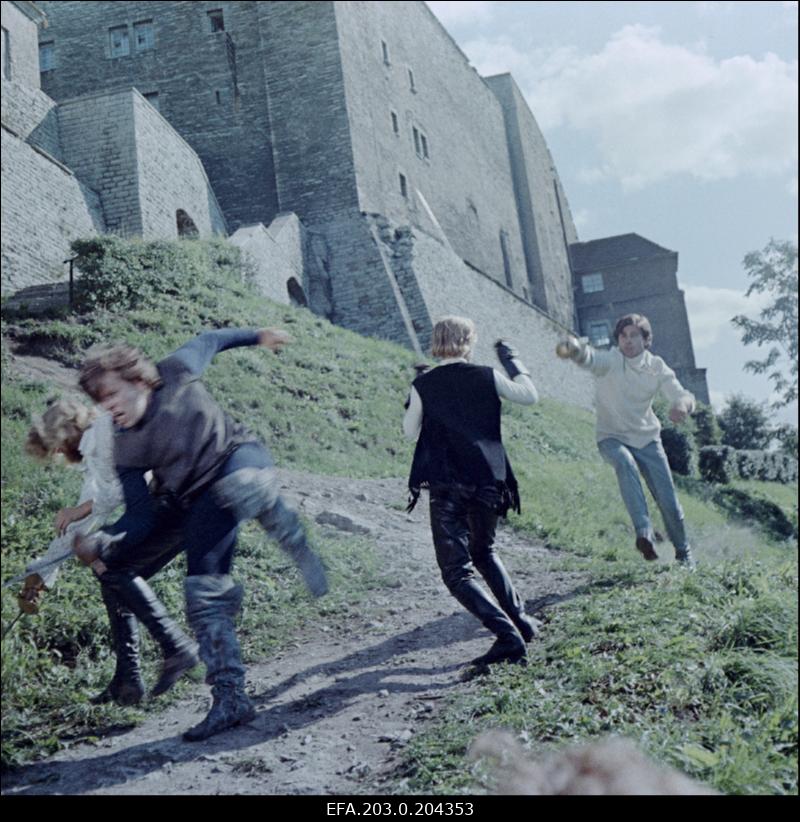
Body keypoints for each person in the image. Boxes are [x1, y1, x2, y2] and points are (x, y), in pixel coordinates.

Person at [73, 328, 328, 741]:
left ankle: (286, 528)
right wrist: (105, 540)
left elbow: (211, 339)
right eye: (98, 401)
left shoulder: (175, 370)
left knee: (241, 485)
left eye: (111, 394)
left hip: (235, 458)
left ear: (138, 380)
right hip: (197, 497)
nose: (107, 408)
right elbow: (139, 517)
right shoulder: (126, 447)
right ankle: (232, 698)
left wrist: (259, 336)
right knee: (202, 594)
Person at [21, 398, 197, 706]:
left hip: (183, 501)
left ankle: (174, 649)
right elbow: (85, 520)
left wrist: (77, 511)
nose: (59, 453)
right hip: (182, 504)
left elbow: (114, 493)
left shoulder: (101, 433)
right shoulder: (95, 444)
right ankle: (128, 682)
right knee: (114, 579)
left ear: (70, 429)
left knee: (113, 568)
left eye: (57, 444)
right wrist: (40, 574)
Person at [403, 316, 541, 668]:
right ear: (468, 341)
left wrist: (416, 393)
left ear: (436, 342)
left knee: (456, 572)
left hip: (448, 485)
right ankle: (521, 621)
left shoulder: (425, 384)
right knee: (485, 550)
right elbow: (530, 395)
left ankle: (507, 636)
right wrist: (511, 361)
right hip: (488, 481)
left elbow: (409, 432)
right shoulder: (486, 375)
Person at [556, 313, 696, 567]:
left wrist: (682, 406)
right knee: (624, 463)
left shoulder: (656, 366)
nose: (628, 341)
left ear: (645, 339)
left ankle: (684, 554)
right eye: (623, 336)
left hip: (647, 439)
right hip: (611, 437)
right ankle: (644, 533)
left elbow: (681, 393)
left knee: (669, 503)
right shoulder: (611, 360)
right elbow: (591, 359)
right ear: (618, 339)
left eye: (634, 335)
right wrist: (575, 350)